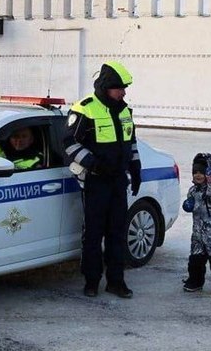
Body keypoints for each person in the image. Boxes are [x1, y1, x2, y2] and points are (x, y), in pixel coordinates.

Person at [64, 60, 142, 298]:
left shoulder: (125, 111)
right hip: (95, 182)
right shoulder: (85, 108)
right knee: (94, 234)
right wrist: (93, 163)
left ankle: (116, 281)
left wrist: (136, 167)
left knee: (117, 232)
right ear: (107, 86)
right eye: (120, 88)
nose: (124, 92)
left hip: (118, 181)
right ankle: (91, 281)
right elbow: (68, 144)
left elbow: (131, 143)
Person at [182, 153, 211, 292]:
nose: (198, 175)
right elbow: (192, 205)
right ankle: (195, 280)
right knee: (196, 258)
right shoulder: (193, 190)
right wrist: (187, 205)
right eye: (195, 172)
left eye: (201, 172)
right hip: (197, 233)